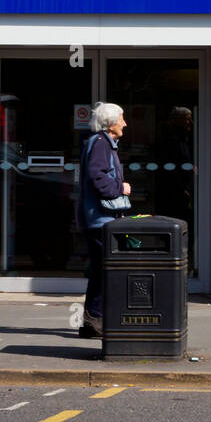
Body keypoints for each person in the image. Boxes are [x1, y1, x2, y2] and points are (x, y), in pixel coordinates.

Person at [78, 101, 131, 339]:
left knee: (100, 270)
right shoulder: (101, 144)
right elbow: (97, 177)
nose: (125, 123)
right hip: (99, 220)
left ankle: (92, 320)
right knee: (105, 270)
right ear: (111, 123)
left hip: (97, 219)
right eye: (122, 118)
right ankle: (95, 318)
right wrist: (122, 188)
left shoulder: (102, 143)